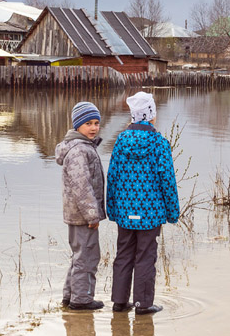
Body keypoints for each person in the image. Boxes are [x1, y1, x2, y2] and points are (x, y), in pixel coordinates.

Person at [106, 91, 179, 315]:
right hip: (150, 213)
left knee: (124, 254)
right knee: (146, 256)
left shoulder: (120, 141)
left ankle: (120, 301)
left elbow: (112, 176)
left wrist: (111, 209)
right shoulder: (159, 143)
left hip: (125, 212)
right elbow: (167, 180)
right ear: (151, 116)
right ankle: (143, 304)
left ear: (133, 116)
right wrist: (173, 212)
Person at [56, 101, 106, 311]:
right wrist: (92, 215)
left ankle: (70, 296)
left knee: (80, 256)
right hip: (82, 216)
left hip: (78, 214)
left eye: (96, 123)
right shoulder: (78, 151)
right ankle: (81, 299)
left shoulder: (84, 147)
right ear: (77, 126)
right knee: (87, 257)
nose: (94, 127)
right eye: (88, 124)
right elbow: (81, 186)